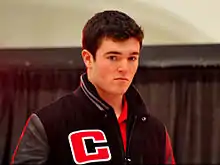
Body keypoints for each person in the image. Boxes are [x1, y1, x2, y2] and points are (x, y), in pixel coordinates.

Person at [11, 10, 175, 165]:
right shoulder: (49, 123)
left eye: (132, 58)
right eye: (113, 57)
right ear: (88, 59)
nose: (124, 67)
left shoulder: (155, 130)